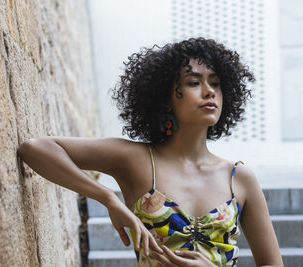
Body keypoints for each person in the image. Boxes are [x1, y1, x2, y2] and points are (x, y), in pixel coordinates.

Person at [17, 37, 283, 267]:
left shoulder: (239, 178)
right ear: (165, 98)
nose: (209, 91)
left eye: (215, 83)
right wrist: (107, 198)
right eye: (194, 82)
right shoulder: (136, 161)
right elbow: (35, 149)